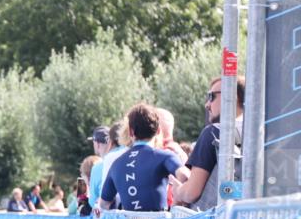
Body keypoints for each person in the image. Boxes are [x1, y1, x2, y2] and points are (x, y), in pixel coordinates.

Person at [99, 104, 190, 212]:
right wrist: (177, 198)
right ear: (158, 131)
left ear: (131, 132)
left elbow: (104, 204)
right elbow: (184, 176)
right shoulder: (165, 156)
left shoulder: (117, 164)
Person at [172, 76, 245, 211]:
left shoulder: (213, 132)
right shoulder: (263, 133)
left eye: (211, 97)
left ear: (231, 96)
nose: (207, 104)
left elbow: (191, 193)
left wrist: (179, 190)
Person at [85, 126, 110, 208]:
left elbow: (92, 202)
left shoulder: (97, 169)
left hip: (106, 217)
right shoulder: (120, 161)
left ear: (98, 144)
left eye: (93, 143)